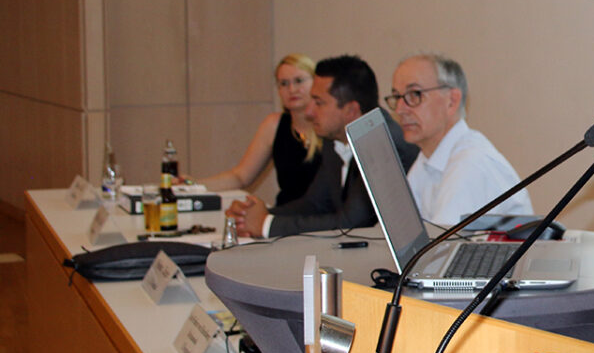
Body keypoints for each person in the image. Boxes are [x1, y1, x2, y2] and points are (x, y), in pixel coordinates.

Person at [227, 55, 418, 238]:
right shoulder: (334, 136)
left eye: (318, 103)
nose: (309, 112)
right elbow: (315, 204)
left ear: (351, 110)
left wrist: (266, 224)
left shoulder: (384, 143)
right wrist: (254, 216)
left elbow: (351, 224)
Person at [387, 54, 532, 226]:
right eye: (397, 97)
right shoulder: (426, 160)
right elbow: (399, 230)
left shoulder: (471, 162)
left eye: (414, 94)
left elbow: (442, 241)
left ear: (452, 101)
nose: (400, 109)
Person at [197, 54, 323, 205]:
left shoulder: (330, 124)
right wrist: (192, 186)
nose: (292, 89)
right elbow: (240, 177)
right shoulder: (274, 124)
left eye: (299, 81)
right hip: (285, 213)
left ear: (316, 83)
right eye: (283, 83)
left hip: (325, 216)